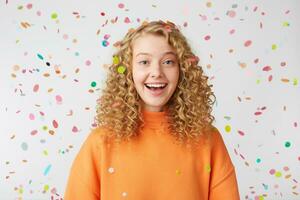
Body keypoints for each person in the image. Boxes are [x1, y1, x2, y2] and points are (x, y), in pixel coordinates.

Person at [64, 20, 240, 200]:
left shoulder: (209, 140)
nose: (156, 72)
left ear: (183, 70)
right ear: (128, 71)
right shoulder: (101, 142)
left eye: (168, 61)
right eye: (144, 61)